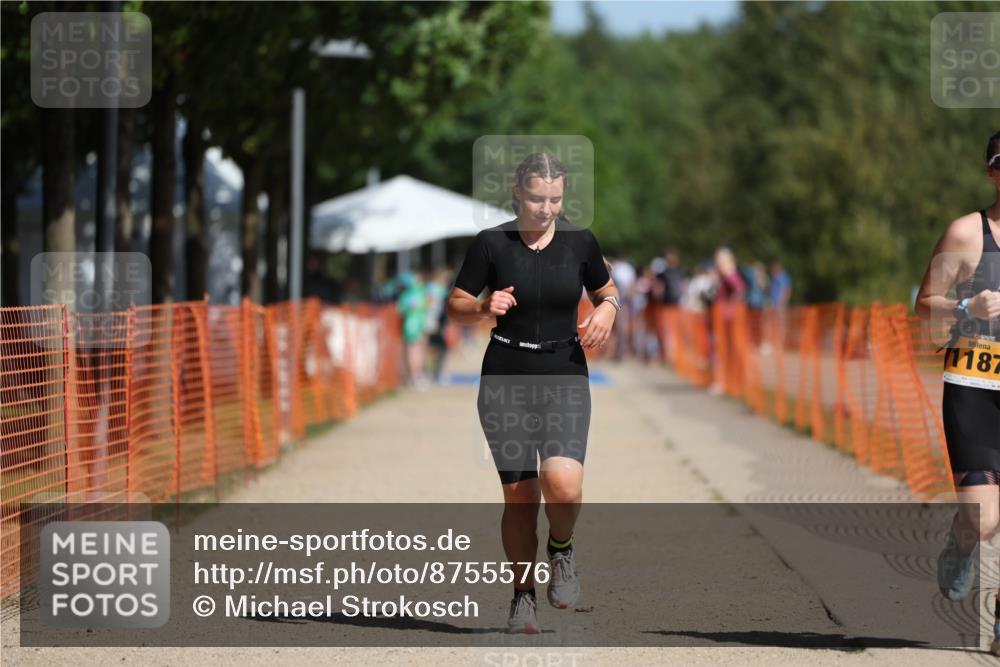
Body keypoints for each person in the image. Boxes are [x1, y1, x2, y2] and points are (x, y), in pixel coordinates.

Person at [446, 152, 619, 634]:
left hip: (564, 370)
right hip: (506, 374)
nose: (547, 209)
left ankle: (561, 548)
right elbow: (456, 306)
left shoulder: (580, 242)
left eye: (556, 199)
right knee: (521, 497)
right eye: (538, 198)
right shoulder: (490, 244)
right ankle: (522, 598)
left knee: (562, 483)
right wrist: (483, 305)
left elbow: (607, 291)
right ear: (518, 193)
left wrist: (609, 309)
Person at [915, 130, 1000, 655]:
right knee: (984, 517)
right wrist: (969, 310)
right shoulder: (968, 234)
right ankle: (962, 540)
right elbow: (926, 302)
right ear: (994, 172)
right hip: (973, 386)